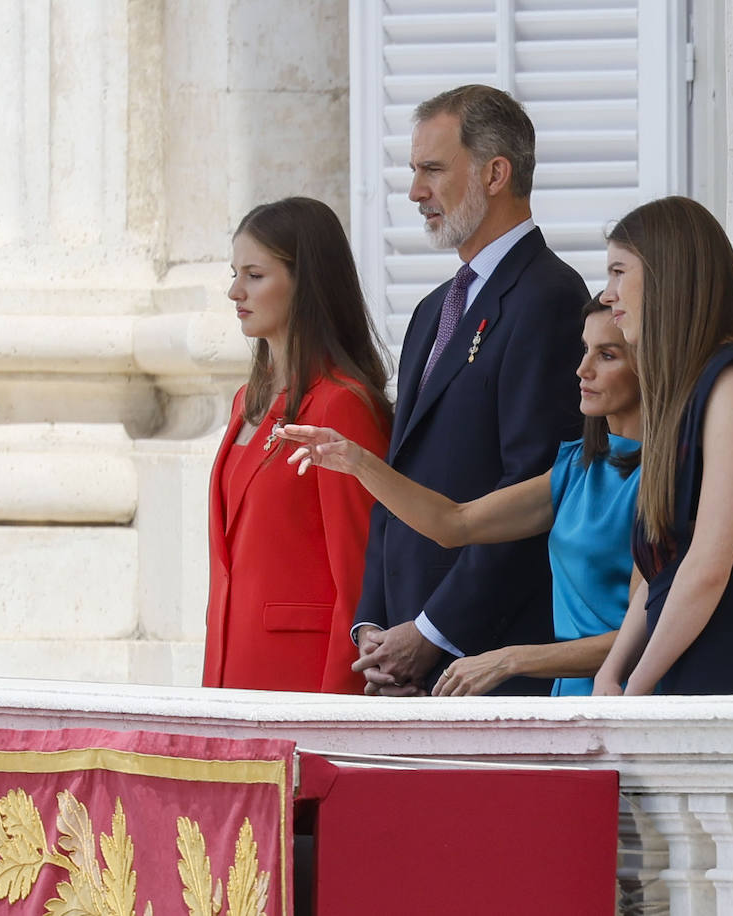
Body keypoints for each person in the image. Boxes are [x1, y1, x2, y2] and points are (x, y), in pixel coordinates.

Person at [353, 84, 588, 697]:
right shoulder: (433, 309)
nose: (415, 192)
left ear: (495, 173)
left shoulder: (550, 297)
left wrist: (432, 633)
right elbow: (396, 474)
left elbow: (536, 494)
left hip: (488, 662)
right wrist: (374, 629)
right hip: (405, 662)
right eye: (413, 171)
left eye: (432, 169)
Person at [281, 297, 641, 696]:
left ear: (651, 365)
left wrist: (509, 659)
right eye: (584, 350)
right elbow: (455, 522)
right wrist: (356, 460)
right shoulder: (576, 468)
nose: (582, 369)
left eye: (607, 355)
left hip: (633, 703)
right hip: (568, 707)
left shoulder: (664, 477)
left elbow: (650, 629)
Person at [592, 196, 733, 696]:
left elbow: (709, 568)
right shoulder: (690, 390)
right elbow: (663, 569)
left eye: (619, 272)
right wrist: (612, 672)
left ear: (667, 274)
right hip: (683, 671)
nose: (608, 294)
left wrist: (636, 688)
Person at [202, 197, 392, 694]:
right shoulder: (248, 399)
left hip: (304, 682)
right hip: (232, 672)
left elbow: (359, 573)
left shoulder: (342, 405)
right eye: (234, 273)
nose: (234, 291)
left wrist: (339, 710)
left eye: (254, 275)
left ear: (305, 283)